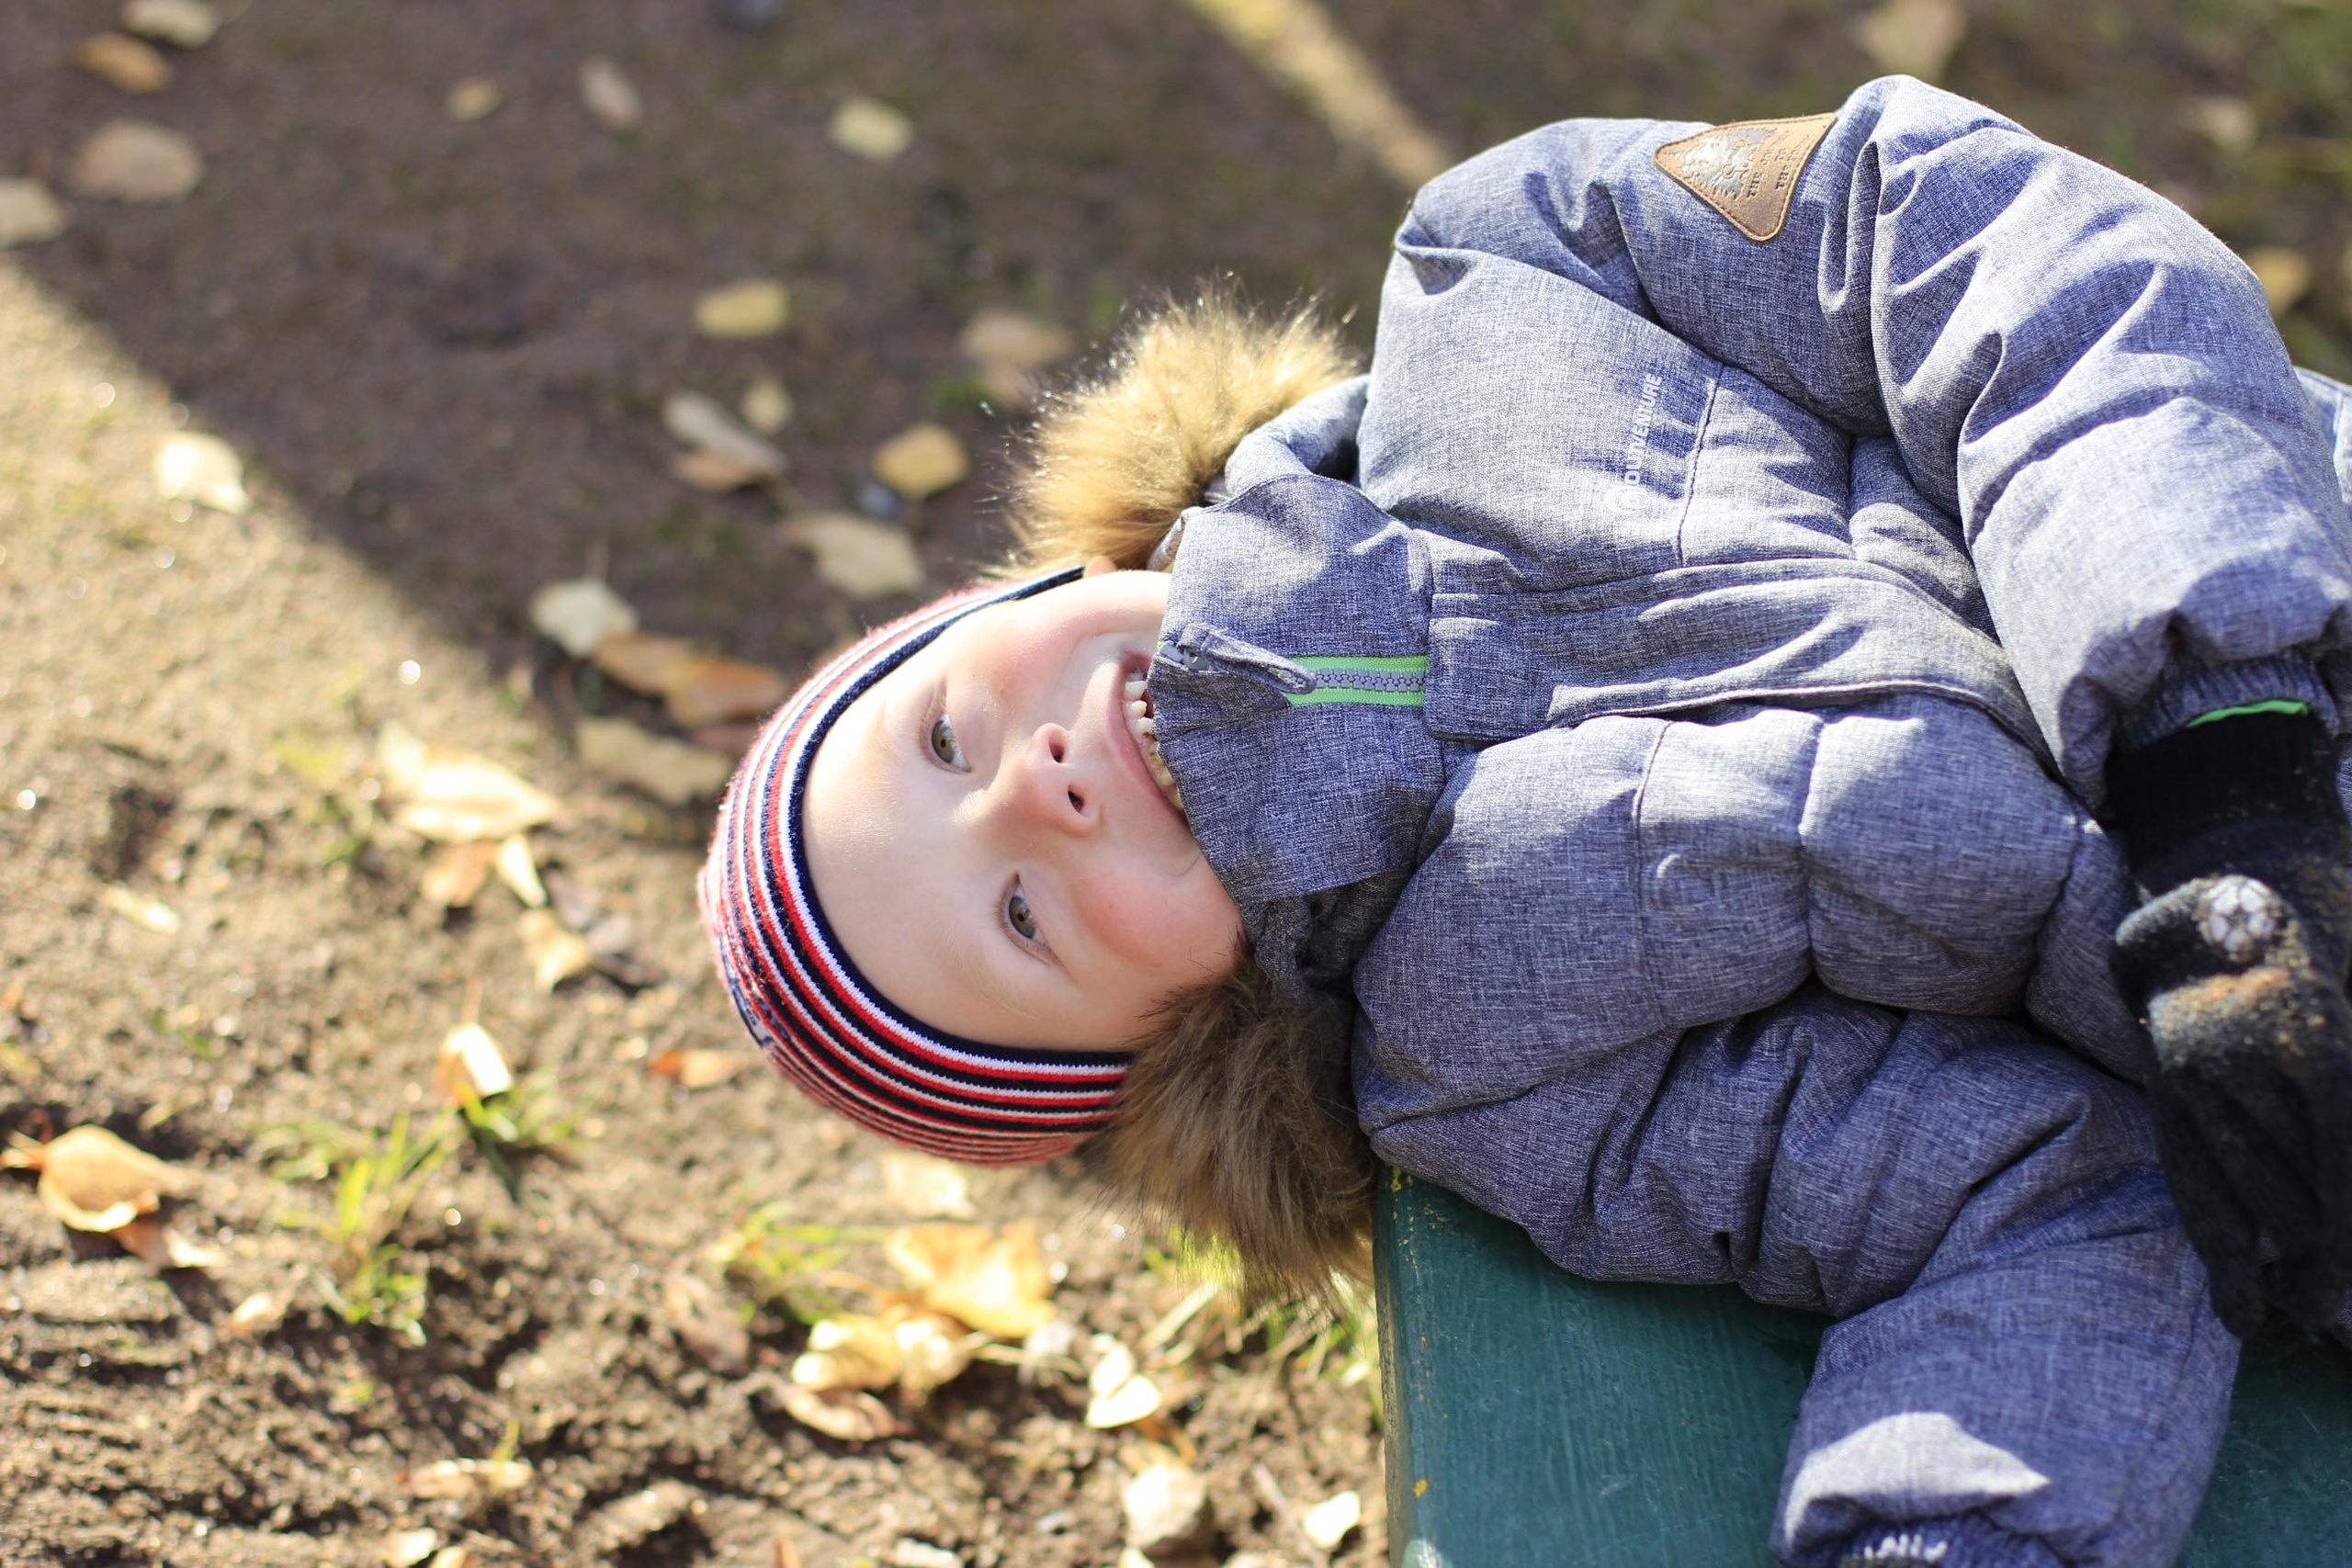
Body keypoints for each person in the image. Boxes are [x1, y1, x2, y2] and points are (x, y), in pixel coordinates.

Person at [703, 75, 2352, 1568]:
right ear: (1153, 1050)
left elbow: (1957, 226)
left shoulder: (1503, 275)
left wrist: (2226, 740)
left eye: (939, 732)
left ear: (1048, 577)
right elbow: (2031, 1199)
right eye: (1019, 916)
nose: (1030, 789)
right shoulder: (1499, 1077)